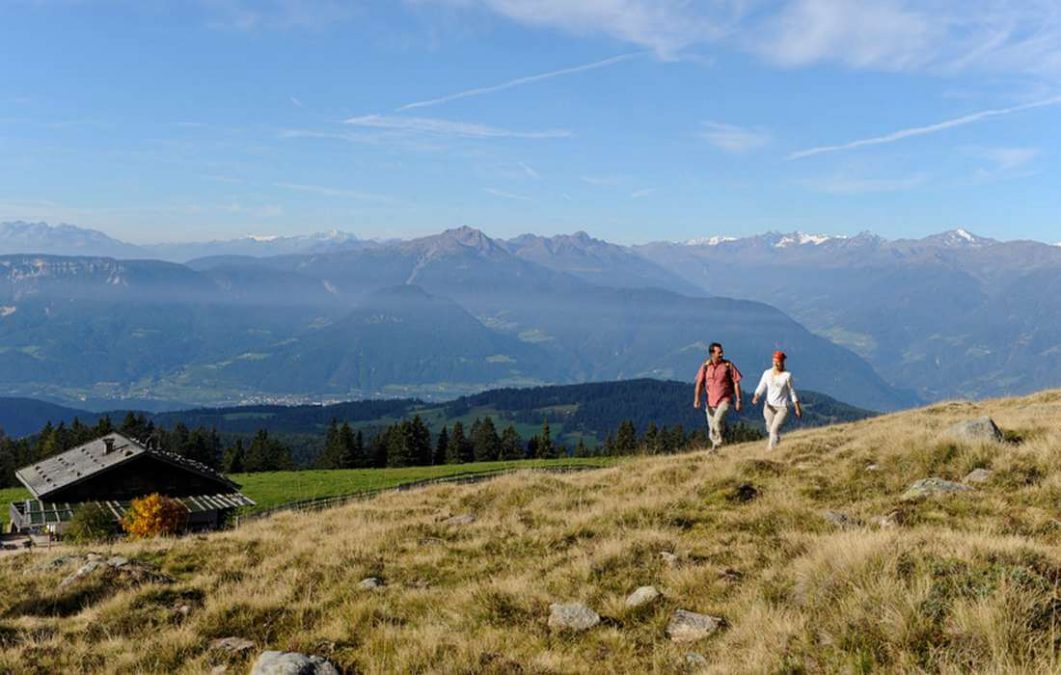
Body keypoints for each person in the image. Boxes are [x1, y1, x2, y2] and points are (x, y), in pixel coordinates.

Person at [692, 342, 742, 451]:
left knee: (717, 421)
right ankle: (717, 449)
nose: (721, 354)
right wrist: (697, 399)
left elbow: (736, 382)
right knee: (712, 429)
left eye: (721, 352)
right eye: (719, 352)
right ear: (712, 353)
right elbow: (699, 383)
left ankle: (719, 443)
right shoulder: (705, 366)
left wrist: (738, 400)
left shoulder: (728, 365)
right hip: (710, 403)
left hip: (725, 400)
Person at [752, 351, 802, 450]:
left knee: (774, 430)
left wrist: (797, 408)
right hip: (769, 407)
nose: (775, 364)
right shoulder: (767, 373)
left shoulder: (787, 375)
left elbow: (791, 392)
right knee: (770, 429)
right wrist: (756, 396)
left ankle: (770, 451)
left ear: (783, 362)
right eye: (774, 361)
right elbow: (761, 386)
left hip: (782, 408)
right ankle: (776, 441)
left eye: (778, 362)